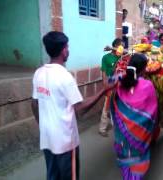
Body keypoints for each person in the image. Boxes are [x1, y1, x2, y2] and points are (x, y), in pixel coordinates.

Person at [31, 31, 114, 180]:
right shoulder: (65, 76)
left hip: (47, 138)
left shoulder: (39, 73)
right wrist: (104, 90)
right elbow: (80, 109)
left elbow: (34, 103)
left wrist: (42, 125)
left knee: (52, 175)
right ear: (63, 50)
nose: (68, 50)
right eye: (67, 47)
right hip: (65, 142)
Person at [110, 53, 158, 180]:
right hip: (139, 135)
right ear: (143, 68)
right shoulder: (147, 85)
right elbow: (152, 112)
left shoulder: (119, 81)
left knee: (126, 157)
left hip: (122, 134)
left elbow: (112, 101)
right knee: (137, 161)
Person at [99, 38, 123, 137]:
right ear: (116, 46)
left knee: (119, 105)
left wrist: (113, 48)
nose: (122, 48)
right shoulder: (106, 58)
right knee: (107, 105)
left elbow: (130, 52)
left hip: (120, 83)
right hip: (110, 82)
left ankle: (118, 125)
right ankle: (102, 128)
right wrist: (105, 84)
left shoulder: (122, 56)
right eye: (120, 45)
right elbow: (104, 72)